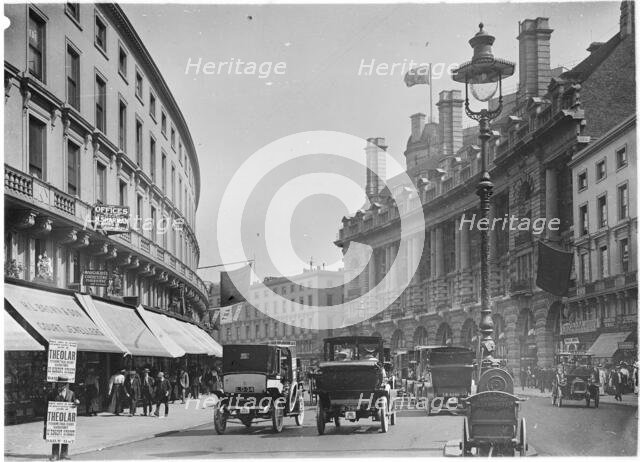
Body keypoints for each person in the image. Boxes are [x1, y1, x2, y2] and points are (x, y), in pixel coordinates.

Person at [45, 382, 79, 460]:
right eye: (60, 384)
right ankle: (55, 454)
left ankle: (64, 454)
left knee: (66, 435)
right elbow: (47, 407)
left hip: (66, 420)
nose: (62, 386)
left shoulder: (71, 393)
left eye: (64, 384)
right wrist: (46, 421)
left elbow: (74, 402)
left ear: (66, 384)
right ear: (57, 384)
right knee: (55, 435)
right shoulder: (52, 394)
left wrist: (76, 402)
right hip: (55, 419)